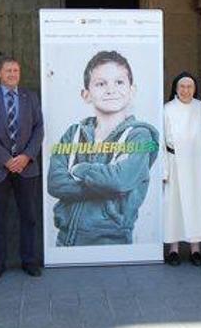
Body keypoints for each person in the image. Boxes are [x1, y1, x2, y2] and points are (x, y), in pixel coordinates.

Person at [47, 50, 159, 246]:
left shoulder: (140, 135)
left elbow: (119, 181)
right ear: (86, 94)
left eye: (119, 82)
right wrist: (104, 185)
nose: (110, 90)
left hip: (111, 241)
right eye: (100, 83)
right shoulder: (72, 134)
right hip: (64, 240)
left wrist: (79, 170)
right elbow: (55, 183)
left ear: (132, 90)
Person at [0, 57, 44, 279]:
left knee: (29, 216)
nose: (12, 74)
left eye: (16, 70)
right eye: (8, 70)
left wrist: (26, 156)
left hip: (26, 167)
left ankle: (29, 260)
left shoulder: (30, 97)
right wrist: (6, 159)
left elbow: (39, 129)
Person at [163, 72, 201, 266]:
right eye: (182, 87)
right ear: (176, 89)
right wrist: (164, 170)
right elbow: (162, 142)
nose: (186, 90)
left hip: (196, 164)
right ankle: (174, 249)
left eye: (189, 87)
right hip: (175, 162)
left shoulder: (200, 107)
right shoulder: (167, 108)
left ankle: (195, 249)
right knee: (174, 206)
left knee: (196, 204)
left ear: (195, 89)